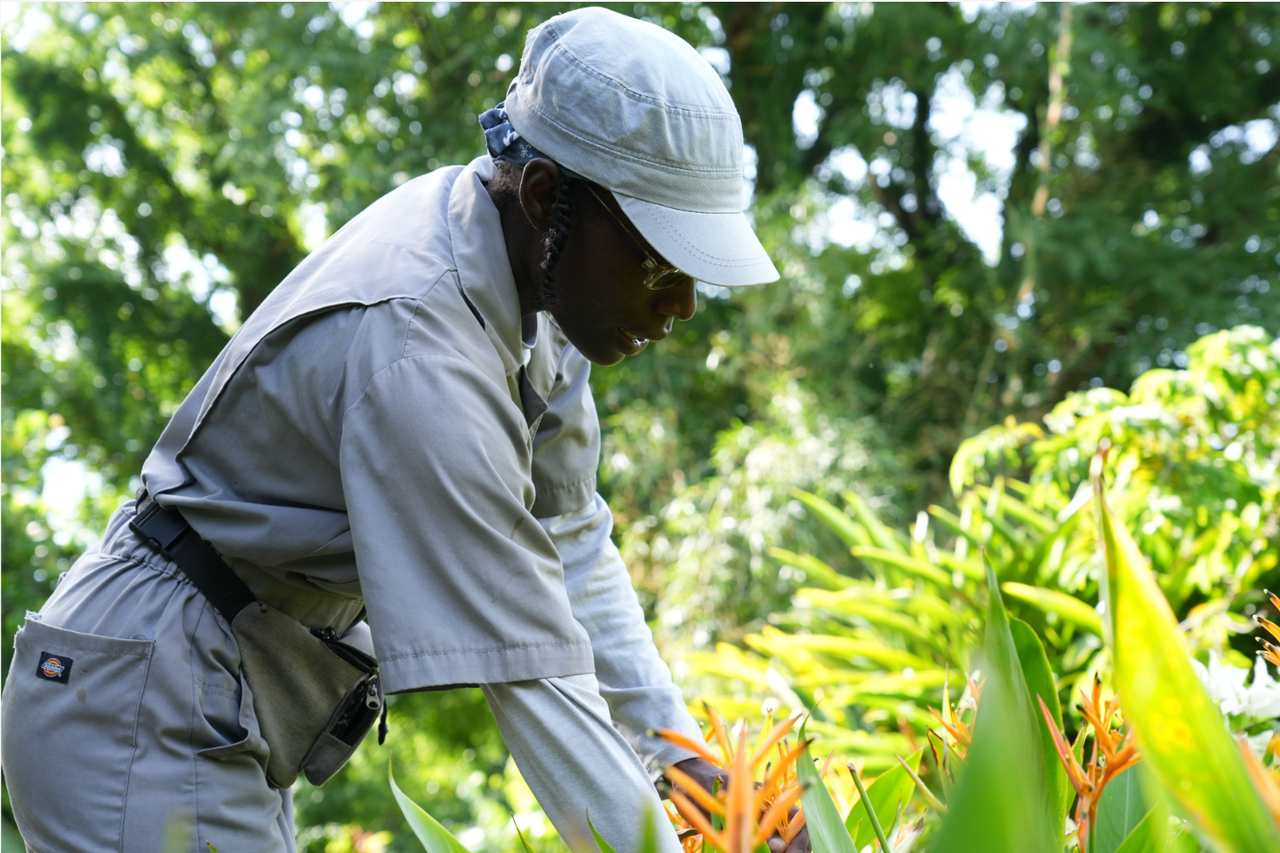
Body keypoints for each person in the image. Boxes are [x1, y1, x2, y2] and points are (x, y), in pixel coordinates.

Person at [2, 8, 792, 853]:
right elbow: (529, 676)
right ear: (544, 197)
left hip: (229, 686)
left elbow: (571, 543)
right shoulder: (420, 349)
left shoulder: (537, 301)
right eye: (658, 263)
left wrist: (687, 767)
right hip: (141, 701)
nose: (682, 307)